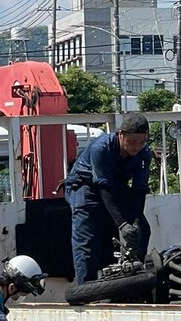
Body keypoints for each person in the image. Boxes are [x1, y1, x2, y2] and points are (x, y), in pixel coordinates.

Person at [62, 112, 153, 283]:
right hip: (85, 186)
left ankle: (134, 277)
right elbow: (104, 188)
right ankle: (85, 288)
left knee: (142, 231)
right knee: (88, 234)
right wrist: (122, 224)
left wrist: (135, 222)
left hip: (115, 187)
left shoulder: (144, 154)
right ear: (120, 135)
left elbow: (139, 190)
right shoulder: (101, 148)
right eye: (132, 142)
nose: (136, 147)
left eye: (142, 142)